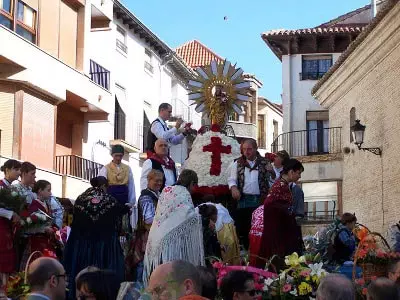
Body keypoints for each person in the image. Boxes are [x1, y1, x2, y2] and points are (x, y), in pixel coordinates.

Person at [63, 176, 130, 299]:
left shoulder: (80, 199)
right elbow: (120, 220)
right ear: (105, 186)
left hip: (82, 247)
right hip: (105, 247)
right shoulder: (110, 200)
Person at [143, 169, 204, 285]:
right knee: (171, 279)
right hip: (173, 246)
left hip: (157, 240)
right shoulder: (184, 193)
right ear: (191, 183)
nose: (194, 190)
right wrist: (200, 218)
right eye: (194, 186)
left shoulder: (166, 190)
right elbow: (188, 217)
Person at [257, 159, 304, 269]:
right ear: (291, 172)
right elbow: (274, 208)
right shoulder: (280, 187)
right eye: (299, 173)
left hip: (280, 232)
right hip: (278, 234)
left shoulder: (282, 185)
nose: (299, 176)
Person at [228, 139, 275, 249]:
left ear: (255, 149)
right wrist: (233, 188)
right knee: (243, 230)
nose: (246, 152)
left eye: (249, 149)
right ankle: (246, 254)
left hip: (260, 201)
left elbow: (273, 182)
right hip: (243, 200)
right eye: (244, 149)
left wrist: (272, 172)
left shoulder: (265, 162)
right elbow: (231, 179)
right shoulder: (237, 163)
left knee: (259, 230)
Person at [126, 170, 163, 285]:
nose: (159, 183)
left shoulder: (157, 195)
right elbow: (148, 219)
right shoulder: (146, 197)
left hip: (154, 234)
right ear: (149, 180)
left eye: (161, 181)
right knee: (144, 265)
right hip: (146, 236)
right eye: (156, 180)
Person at [20, 180, 58, 271]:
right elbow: (30, 225)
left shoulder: (47, 204)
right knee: (36, 263)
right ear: (40, 191)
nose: (50, 193)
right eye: (48, 190)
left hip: (46, 240)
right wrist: (44, 229)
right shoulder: (34, 205)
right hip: (36, 240)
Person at [99, 144, 136, 233]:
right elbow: (101, 186)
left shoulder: (128, 168)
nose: (118, 158)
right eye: (116, 155)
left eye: (120, 155)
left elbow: (131, 185)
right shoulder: (105, 168)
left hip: (124, 200)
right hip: (110, 200)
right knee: (111, 225)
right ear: (112, 155)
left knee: (123, 227)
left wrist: (131, 202)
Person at [0, 159, 22, 295]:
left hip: (8, 228)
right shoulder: (1, 186)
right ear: (7, 170)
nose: (19, 173)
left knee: (9, 259)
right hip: (1, 228)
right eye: (16, 169)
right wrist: (11, 213)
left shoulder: (13, 188)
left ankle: (6, 290)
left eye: (20, 170)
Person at [197, 198, 240, 265]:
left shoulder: (221, 219)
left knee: (229, 249)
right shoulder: (203, 209)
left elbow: (228, 243)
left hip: (227, 230)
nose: (214, 221)